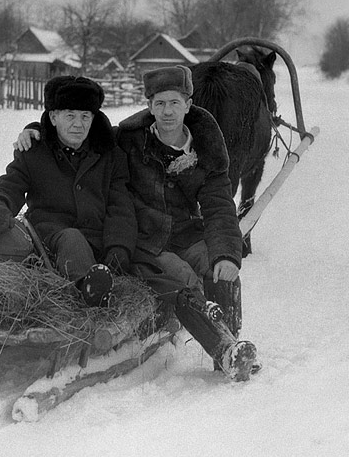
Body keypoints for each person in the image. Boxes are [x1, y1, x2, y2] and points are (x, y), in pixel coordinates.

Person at [16, 66, 258, 381]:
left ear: (188, 103)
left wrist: (226, 251)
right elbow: (79, 132)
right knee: (180, 279)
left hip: (186, 233)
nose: (167, 112)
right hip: (146, 237)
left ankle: (230, 349)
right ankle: (220, 343)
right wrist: (34, 128)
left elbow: (219, 203)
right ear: (149, 106)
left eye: (174, 103)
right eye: (159, 104)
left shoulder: (207, 148)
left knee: (221, 270)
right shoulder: (129, 139)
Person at [0, 75, 137, 307]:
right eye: (70, 115)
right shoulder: (34, 151)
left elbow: (120, 204)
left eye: (85, 116)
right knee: (72, 238)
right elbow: (10, 183)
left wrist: (119, 247)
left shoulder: (109, 154)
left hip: (97, 238)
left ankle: (100, 279)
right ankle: (90, 291)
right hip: (48, 239)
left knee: (118, 259)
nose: (78, 124)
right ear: (53, 117)